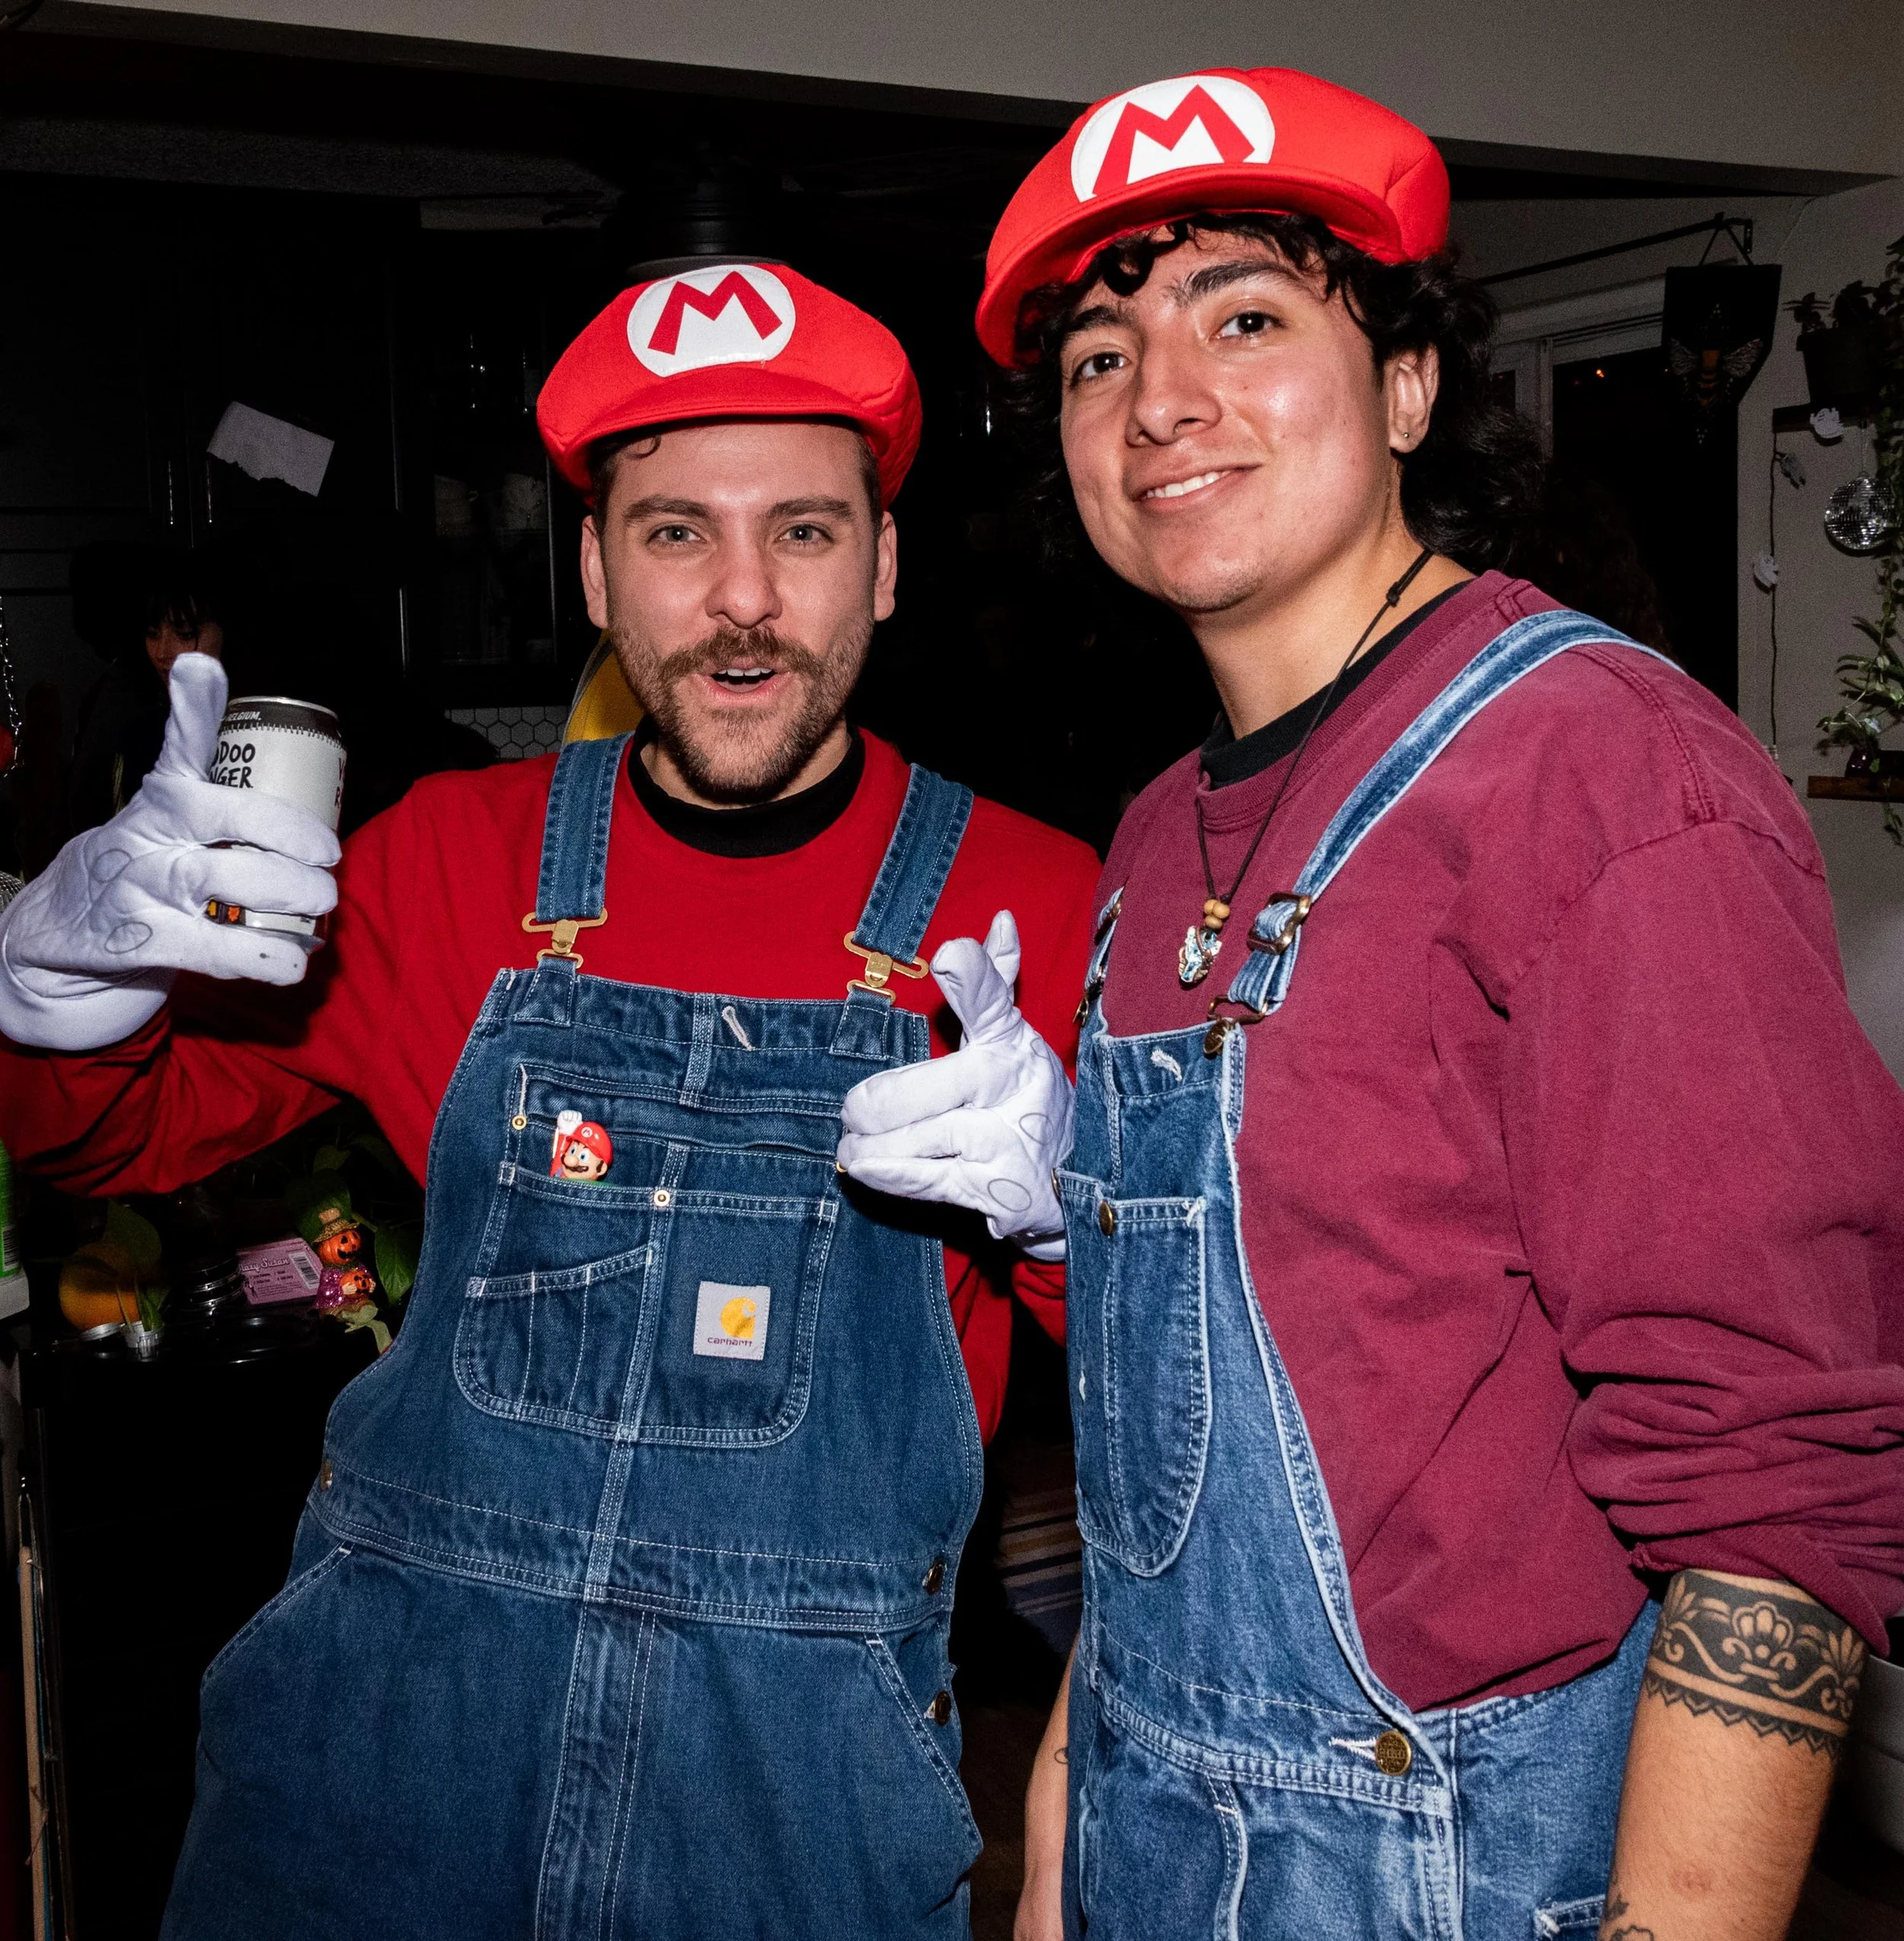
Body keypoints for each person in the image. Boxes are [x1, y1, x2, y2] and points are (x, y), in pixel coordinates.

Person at [842, 65, 1904, 1941]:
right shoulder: (1162, 825)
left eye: (1241, 316)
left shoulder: (1598, 777)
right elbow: (1173, 1454)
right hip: (1154, 1808)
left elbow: (1770, 1500)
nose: (1158, 396)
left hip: (1457, 1863)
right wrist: (1067, 1809)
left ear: (1408, 384)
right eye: (1097, 356)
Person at [0, 263, 1101, 1936]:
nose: (742, 599)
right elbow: (107, 1136)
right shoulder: (448, 855)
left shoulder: (1042, 899)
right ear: (593, 566)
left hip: (791, 1805)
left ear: (881, 563)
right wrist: (49, 1001)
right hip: (383, 1770)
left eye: (802, 531)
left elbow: (1188, 1374)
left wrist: (1072, 1210)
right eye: (674, 532)